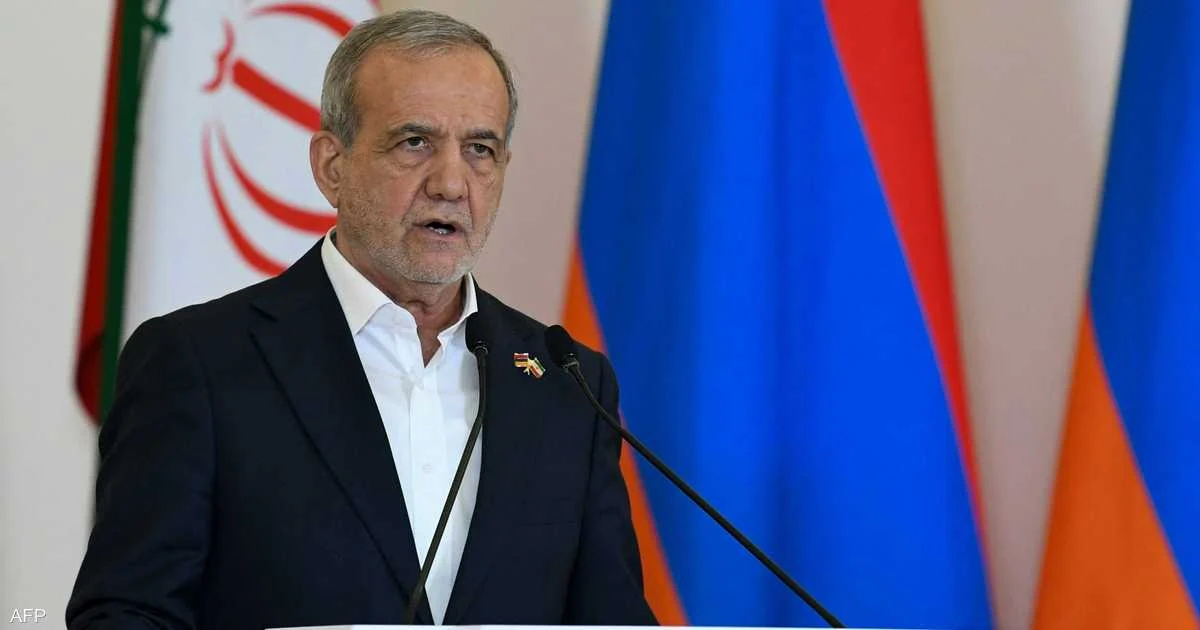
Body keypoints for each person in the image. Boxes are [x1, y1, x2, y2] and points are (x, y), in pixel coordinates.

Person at [66, 10, 656, 629]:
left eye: (480, 149)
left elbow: (614, 620)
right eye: (414, 142)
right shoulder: (199, 363)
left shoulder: (568, 385)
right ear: (332, 167)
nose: (451, 183)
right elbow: (125, 613)